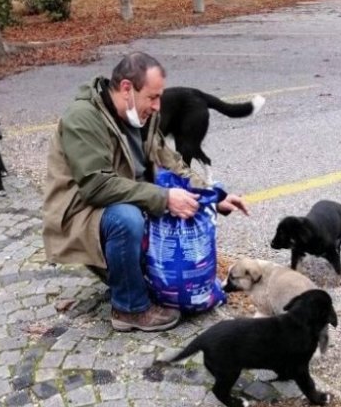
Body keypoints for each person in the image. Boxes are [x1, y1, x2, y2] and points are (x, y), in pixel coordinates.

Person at [43, 51, 249, 332]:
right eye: (152, 97)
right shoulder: (82, 119)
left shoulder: (142, 117)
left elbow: (171, 162)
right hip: (82, 215)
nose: (157, 106)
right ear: (127, 88)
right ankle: (129, 308)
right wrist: (164, 199)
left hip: (123, 203)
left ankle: (129, 274)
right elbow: (96, 186)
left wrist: (213, 197)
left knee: (155, 225)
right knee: (128, 219)